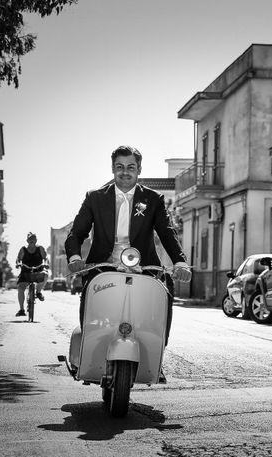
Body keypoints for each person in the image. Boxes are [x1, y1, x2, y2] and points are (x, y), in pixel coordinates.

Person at [65, 144, 190, 343]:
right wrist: (75, 257)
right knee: (89, 302)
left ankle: (157, 357)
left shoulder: (153, 199)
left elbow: (167, 233)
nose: (125, 172)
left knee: (164, 295)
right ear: (113, 168)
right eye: (120, 166)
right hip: (102, 268)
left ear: (139, 170)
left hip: (144, 267)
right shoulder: (95, 198)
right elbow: (76, 233)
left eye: (131, 167)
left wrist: (180, 262)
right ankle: (88, 350)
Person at [15, 232, 49, 317]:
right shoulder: (23, 249)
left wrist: (46, 264)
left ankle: (38, 292)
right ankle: (22, 309)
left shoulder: (40, 249)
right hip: (26, 271)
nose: (32, 241)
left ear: (36, 240)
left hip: (38, 270)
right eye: (30, 239)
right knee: (21, 288)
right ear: (27, 241)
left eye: (33, 239)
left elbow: (46, 258)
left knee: (45, 275)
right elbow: (18, 259)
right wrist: (18, 263)